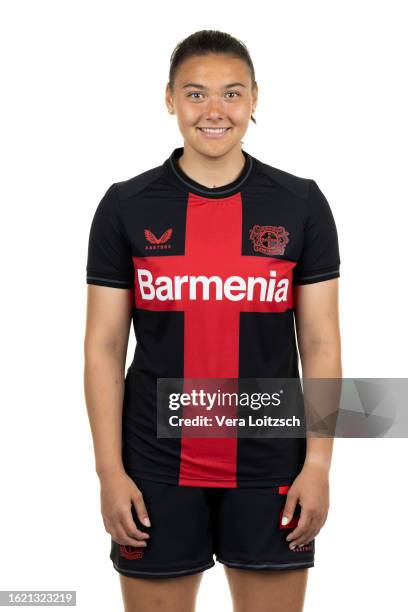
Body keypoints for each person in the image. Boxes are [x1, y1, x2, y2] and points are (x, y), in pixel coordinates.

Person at [84, 29, 341, 612]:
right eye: (196, 94)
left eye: (232, 93)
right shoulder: (126, 205)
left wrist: (320, 464)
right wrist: (108, 472)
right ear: (170, 99)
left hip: (271, 454)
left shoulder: (300, 203)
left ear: (255, 99)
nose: (215, 111)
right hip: (154, 461)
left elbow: (322, 343)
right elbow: (103, 348)